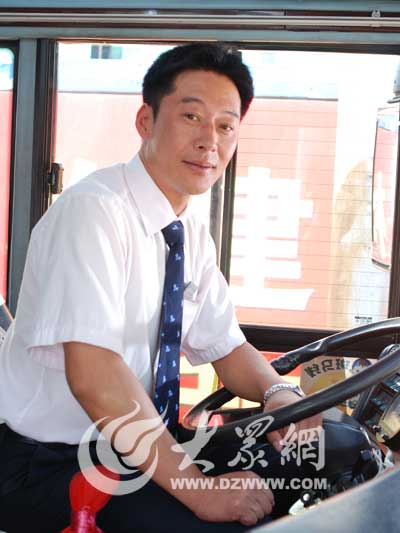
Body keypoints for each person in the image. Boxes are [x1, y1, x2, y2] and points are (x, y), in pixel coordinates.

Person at [0, 43, 321, 533]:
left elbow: (226, 345)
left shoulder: (187, 228)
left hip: (134, 444)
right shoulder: (94, 213)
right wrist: (199, 489)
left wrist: (278, 393)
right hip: (48, 462)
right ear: (145, 121)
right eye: (192, 117)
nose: (209, 141)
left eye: (226, 126)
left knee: (312, 459)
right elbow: (95, 377)